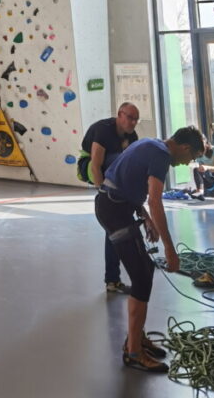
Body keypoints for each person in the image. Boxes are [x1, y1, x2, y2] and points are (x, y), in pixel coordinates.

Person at [95, 126, 205, 373]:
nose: (188, 163)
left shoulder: (150, 144)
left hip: (114, 206)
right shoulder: (161, 156)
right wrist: (170, 249)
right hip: (114, 211)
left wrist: (144, 218)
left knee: (143, 269)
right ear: (185, 148)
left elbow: (125, 181)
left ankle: (136, 338)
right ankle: (133, 352)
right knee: (142, 276)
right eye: (192, 157)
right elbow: (155, 200)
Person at [78, 103, 140, 294]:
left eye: (136, 119)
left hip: (113, 174)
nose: (133, 123)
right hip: (89, 166)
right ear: (119, 115)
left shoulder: (133, 137)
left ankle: (112, 280)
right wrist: (103, 195)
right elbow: (96, 166)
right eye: (129, 118)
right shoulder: (104, 130)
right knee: (118, 160)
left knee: (114, 230)